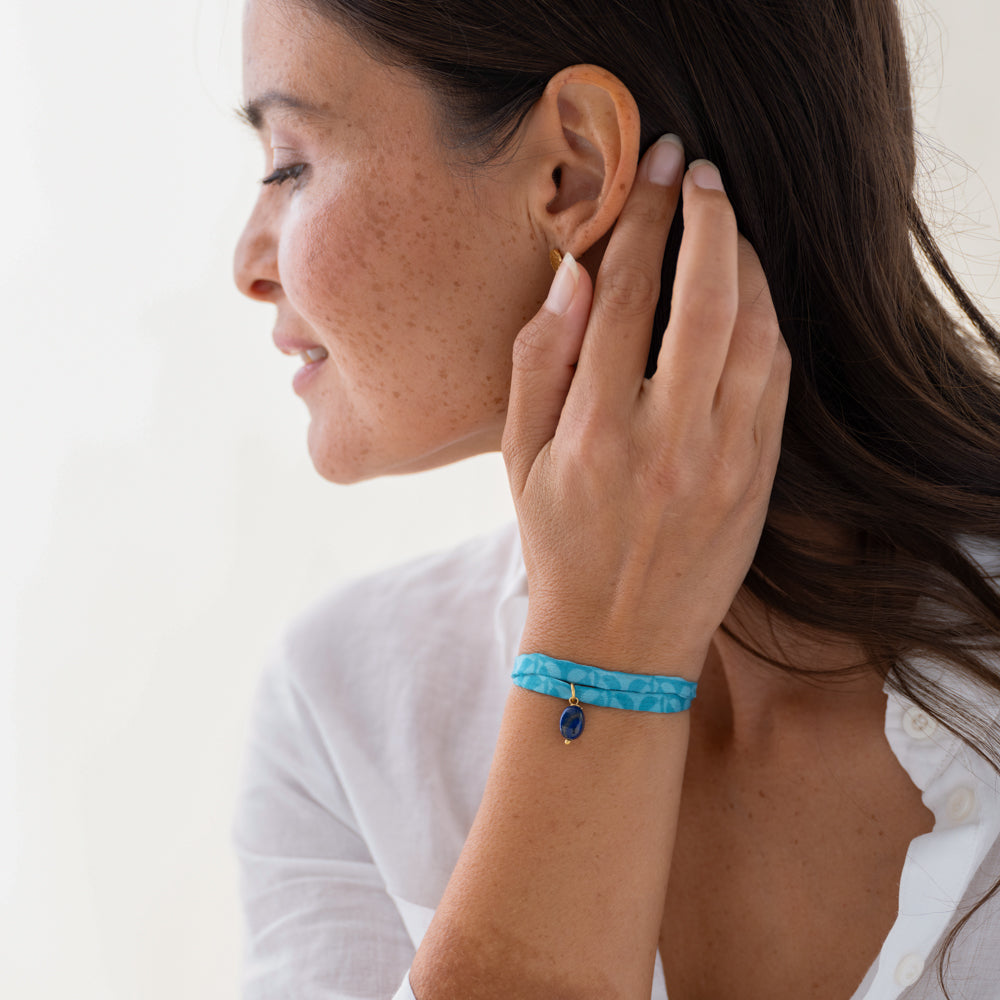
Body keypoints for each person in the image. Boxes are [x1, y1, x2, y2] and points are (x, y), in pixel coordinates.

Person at [230, 0, 1000, 997]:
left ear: (574, 172)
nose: (249, 262)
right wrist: (597, 655)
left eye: (290, 163)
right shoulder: (347, 713)